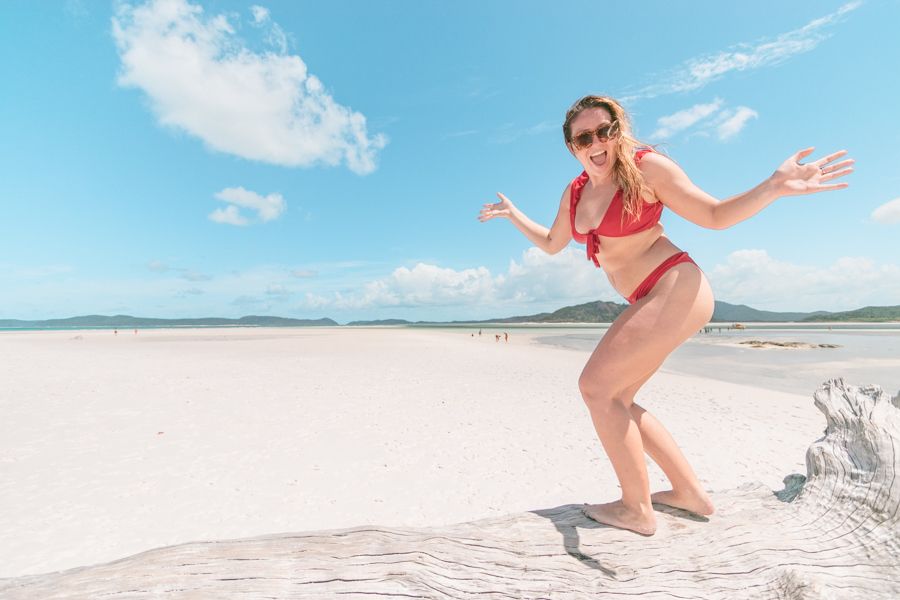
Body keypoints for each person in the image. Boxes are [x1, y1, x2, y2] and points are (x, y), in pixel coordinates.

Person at [477, 95, 852, 536]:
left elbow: (712, 214)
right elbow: (553, 242)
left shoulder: (646, 168)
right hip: (648, 296)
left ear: (620, 130)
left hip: (675, 285)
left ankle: (636, 509)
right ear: (572, 146)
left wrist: (772, 185)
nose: (596, 143)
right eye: (584, 138)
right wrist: (512, 214)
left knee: (595, 388)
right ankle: (689, 493)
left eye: (605, 131)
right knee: (616, 397)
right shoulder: (575, 192)